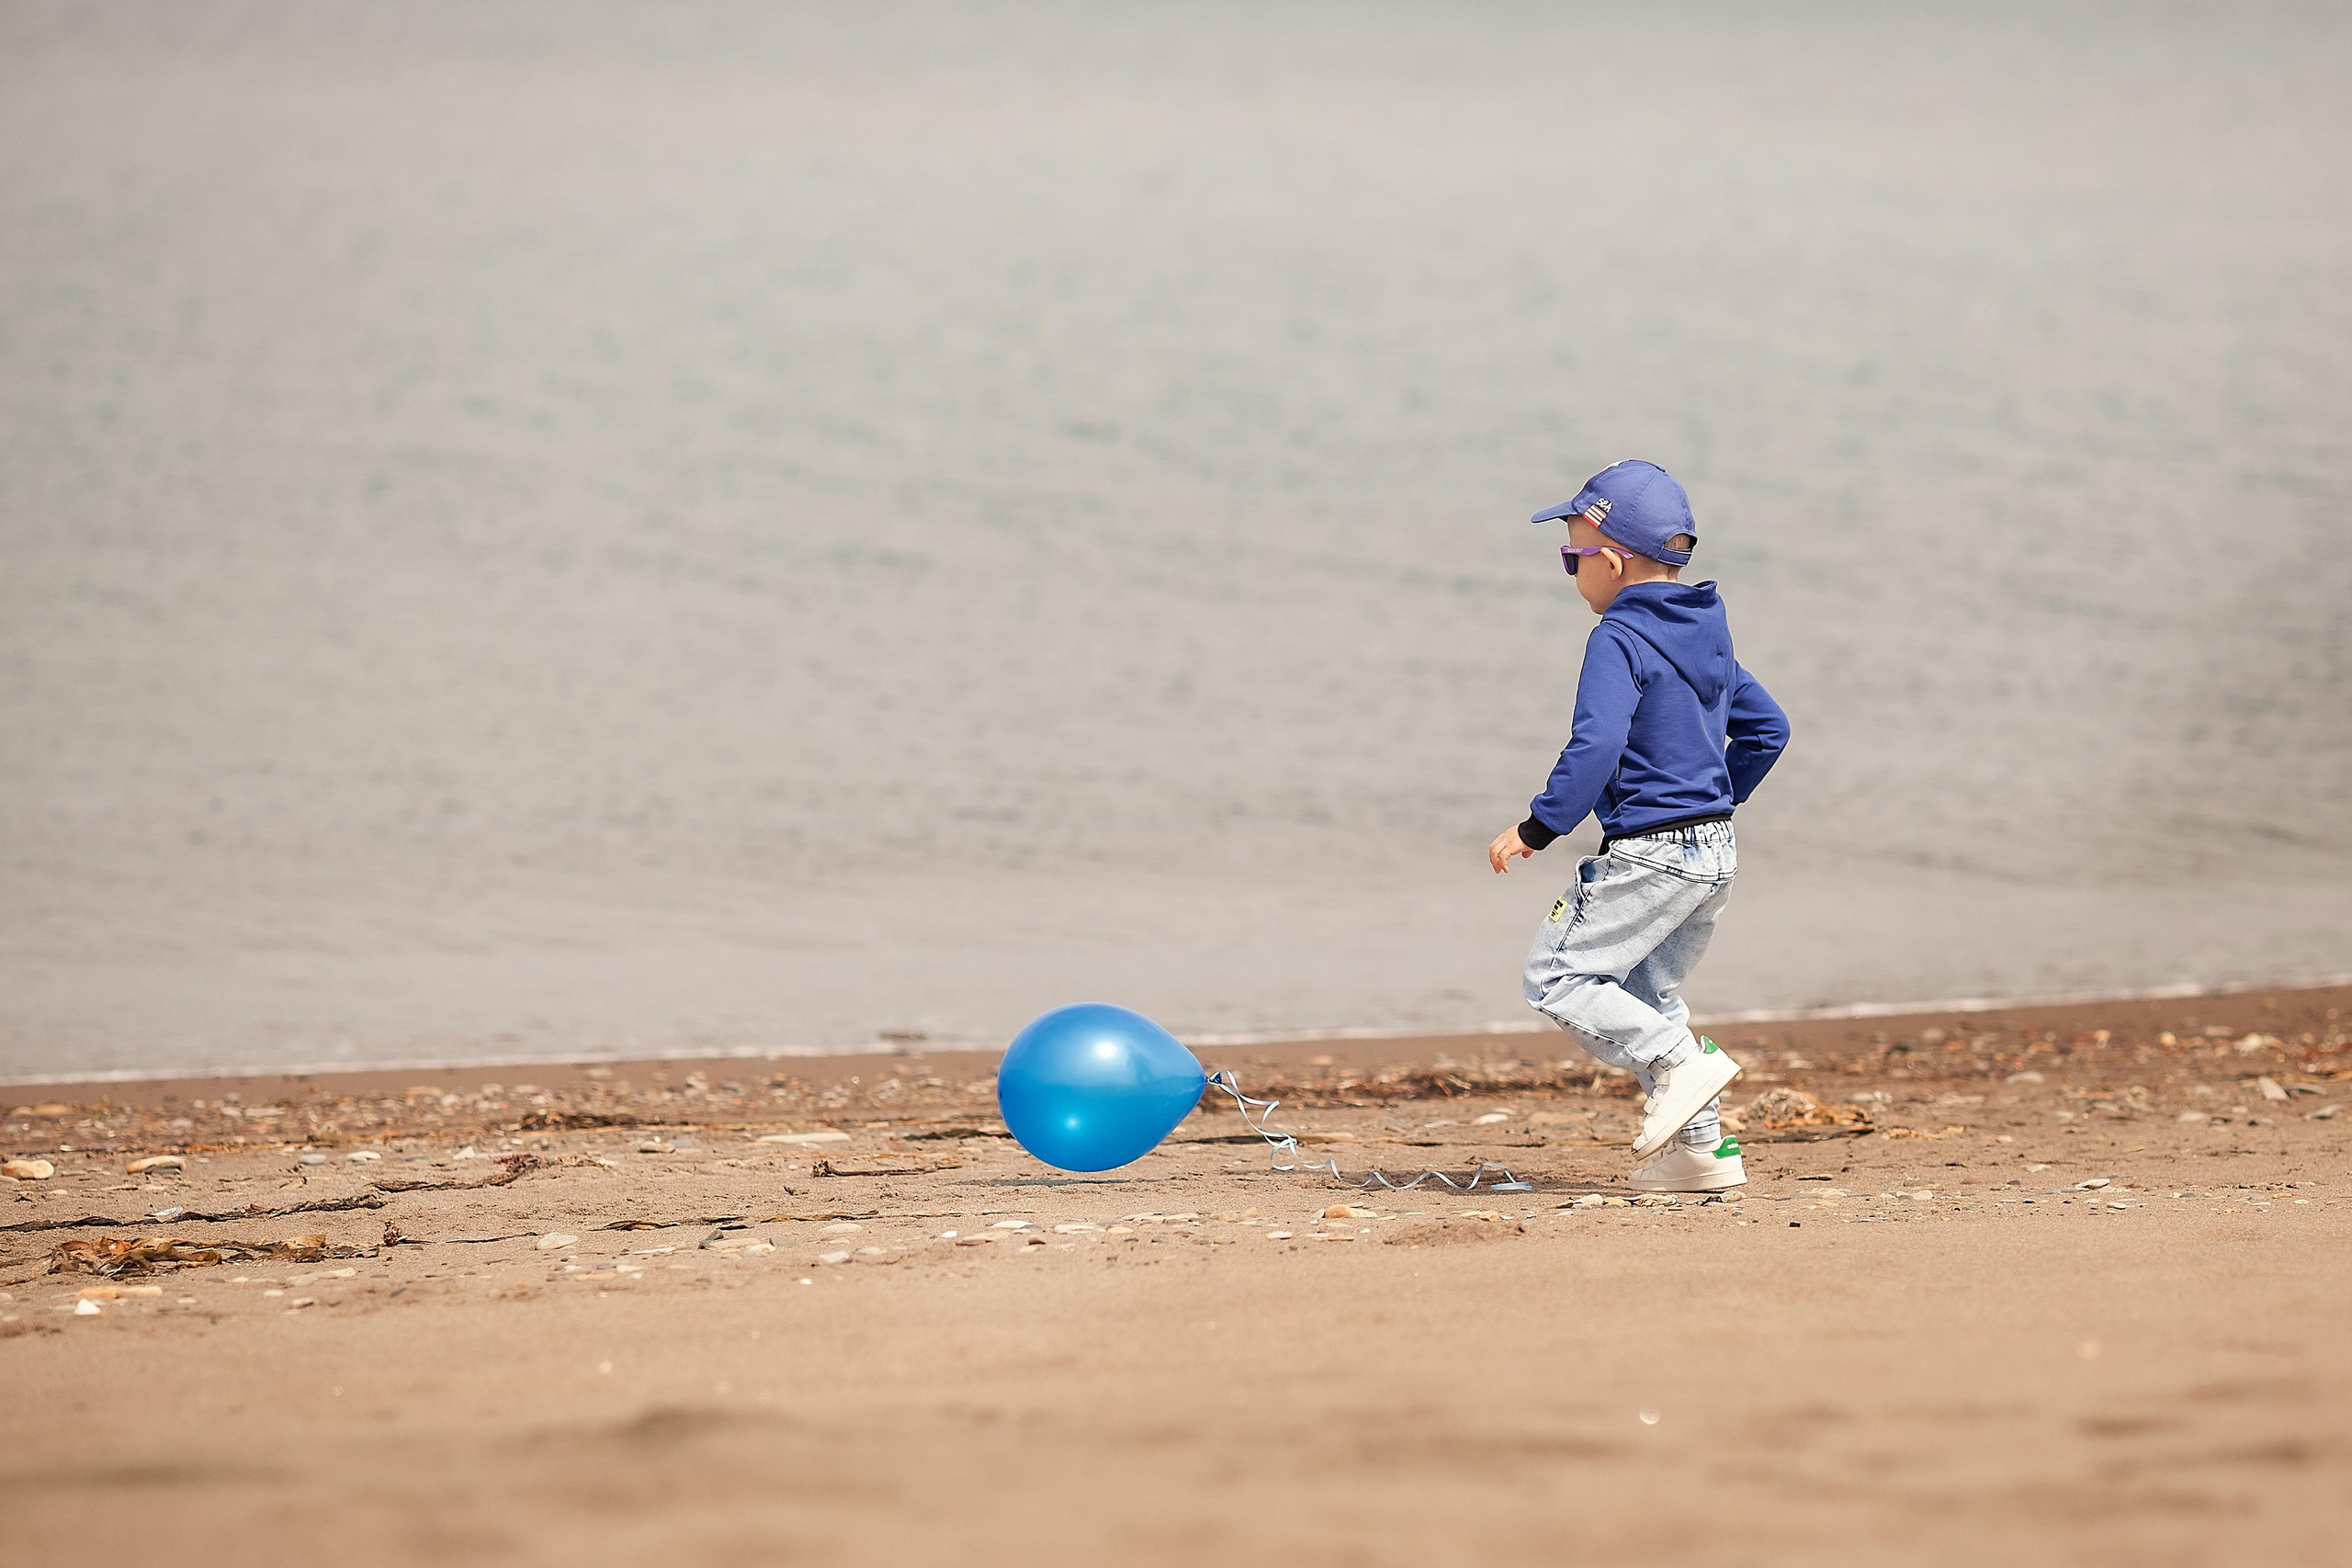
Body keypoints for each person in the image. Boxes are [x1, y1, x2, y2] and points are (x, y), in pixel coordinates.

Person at [1488, 460, 1790, 1192]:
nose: (1571, 575)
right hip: (1714, 852)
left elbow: (1595, 745)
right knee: (1648, 995)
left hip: (1651, 851)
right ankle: (1702, 1155)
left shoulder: (1617, 638)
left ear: (1613, 561)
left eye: (1571, 556)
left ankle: (1681, 1063)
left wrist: (1537, 827)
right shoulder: (1707, 634)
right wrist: (1714, 802)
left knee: (1557, 977)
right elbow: (1767, 731)